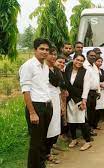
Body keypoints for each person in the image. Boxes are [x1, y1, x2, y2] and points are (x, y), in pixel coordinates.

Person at [19, 38, 53, 168]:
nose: (44, 52)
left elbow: (44, 86)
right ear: (35, 50)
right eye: (41, 49)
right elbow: (25, 90)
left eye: (47, 49)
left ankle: (41, 164)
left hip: (46, 106)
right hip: (36, 107)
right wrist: (32, 113)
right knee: (35, 142)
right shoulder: (28, 66)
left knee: (43, 140)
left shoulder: (45, 66)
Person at [64, 54, 92, 151]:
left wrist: (84, 101)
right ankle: (74, 139)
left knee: (81, 121)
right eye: (77, 60)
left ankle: (87, 141)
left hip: (79, 99)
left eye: (81, 61)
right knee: (71, 120)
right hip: (69, 99)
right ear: (73, 59)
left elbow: (86, 87)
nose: (79, 62)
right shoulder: (67, 69)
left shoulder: (85, 72)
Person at [45, 47, 66, 164]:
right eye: (51, 54)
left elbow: (59, 87)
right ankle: (46, 153)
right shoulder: (43, 69)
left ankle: (49, 149)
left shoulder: (56, 69)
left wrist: (61, 104)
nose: (53, 56)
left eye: (55, 54)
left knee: (55, 127)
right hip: (47, 101)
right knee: (48, 127)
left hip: (56, 100)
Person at [84, 50, 100, 136]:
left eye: (94, 56)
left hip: (94, 93)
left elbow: (97, 80)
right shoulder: (84, 65)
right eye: (91, 55)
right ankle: (86, 131)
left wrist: (98, 91)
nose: (93, 57)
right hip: (87, 93)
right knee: (86, 112)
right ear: (87, 56)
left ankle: (90, 128)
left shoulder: (95, 66)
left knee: (92, 112)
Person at [94, 56, 104, 130]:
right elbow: (91, 81)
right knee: (94, 109)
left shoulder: (102, 70)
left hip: (101, 92)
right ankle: (93, 125)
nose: (100, 63)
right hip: (95, 91)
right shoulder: (92, 70)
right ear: (95, 62)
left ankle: (96, 124)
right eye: (98, 61)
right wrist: (99, 84)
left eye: (101, 61)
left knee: (99, 109)